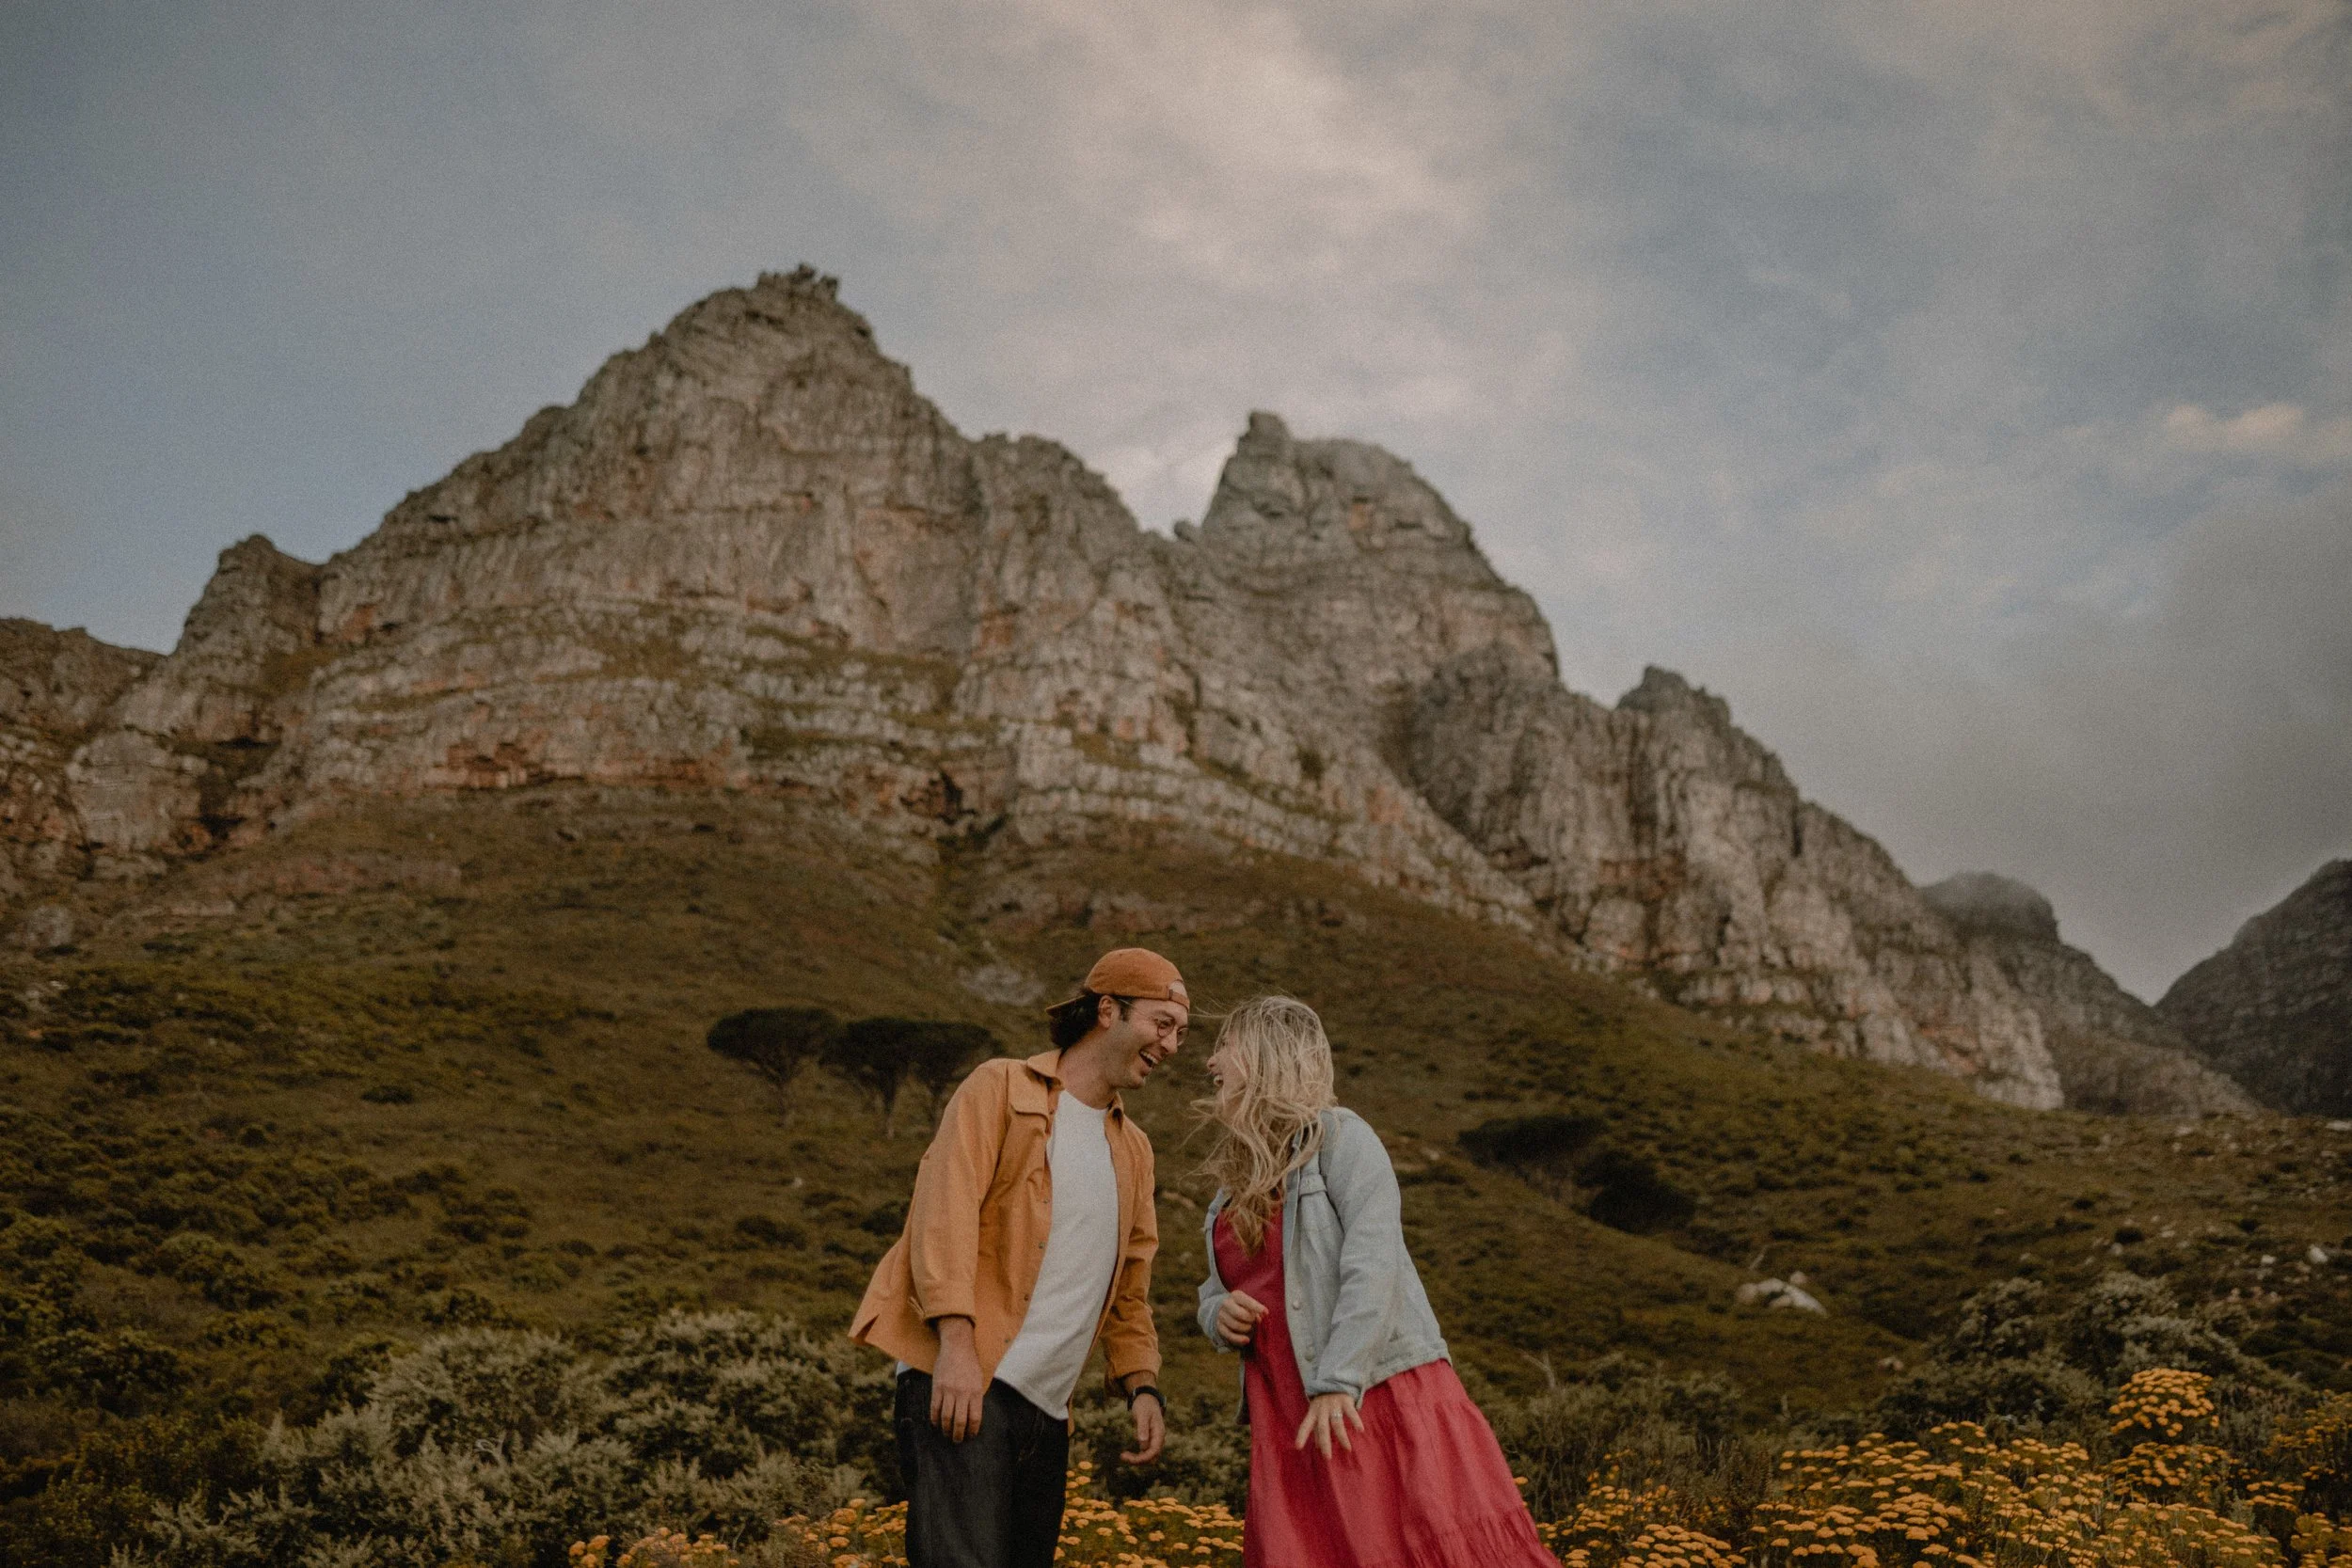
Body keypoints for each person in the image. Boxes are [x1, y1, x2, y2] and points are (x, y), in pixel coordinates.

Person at [850, 947, 1189, 1568]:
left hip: (1047, 1411)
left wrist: (1142, 1383)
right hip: (966, 1379)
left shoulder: (1134, 1150)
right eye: (1162, 1024)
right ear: (1108, 1010)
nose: (1170, 1045)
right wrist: (957, 1346)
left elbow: (1130, 1284)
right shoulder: (1001, 1088)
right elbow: (943, 1213)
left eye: (1181, 1034)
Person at [1195, 994, 1557, 1568]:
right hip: (1291, 1421)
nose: (1211, 1062)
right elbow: (1218, 1289)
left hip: (1370, 1400)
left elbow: (1374, 1264)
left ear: (1268, 1054)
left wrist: (1339, 1381)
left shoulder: (1340, 1139)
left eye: (1225, 1045)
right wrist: (1217, 1314)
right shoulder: (1235, 1182)